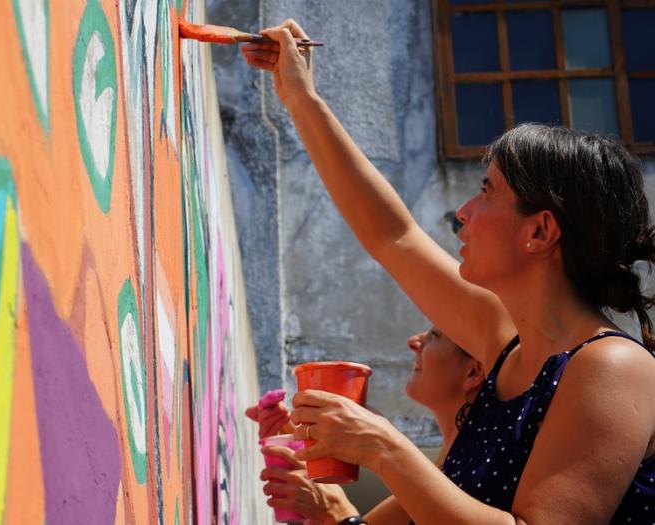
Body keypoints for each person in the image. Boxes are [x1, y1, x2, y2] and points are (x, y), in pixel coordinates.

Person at [240, 19, 655, 524]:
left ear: (540, 233)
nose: (464, 210)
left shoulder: (614, 367)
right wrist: (300, 98)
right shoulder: (507, 344)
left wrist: (386, 449)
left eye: (488, 190)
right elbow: (392, 236)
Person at [249, 327, 485, 524]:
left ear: (473, 371)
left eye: (435, 334)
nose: (414, 341)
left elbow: (339, 517)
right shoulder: (444, 471)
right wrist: (297, 455)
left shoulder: (479, 475)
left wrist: (336, 511)